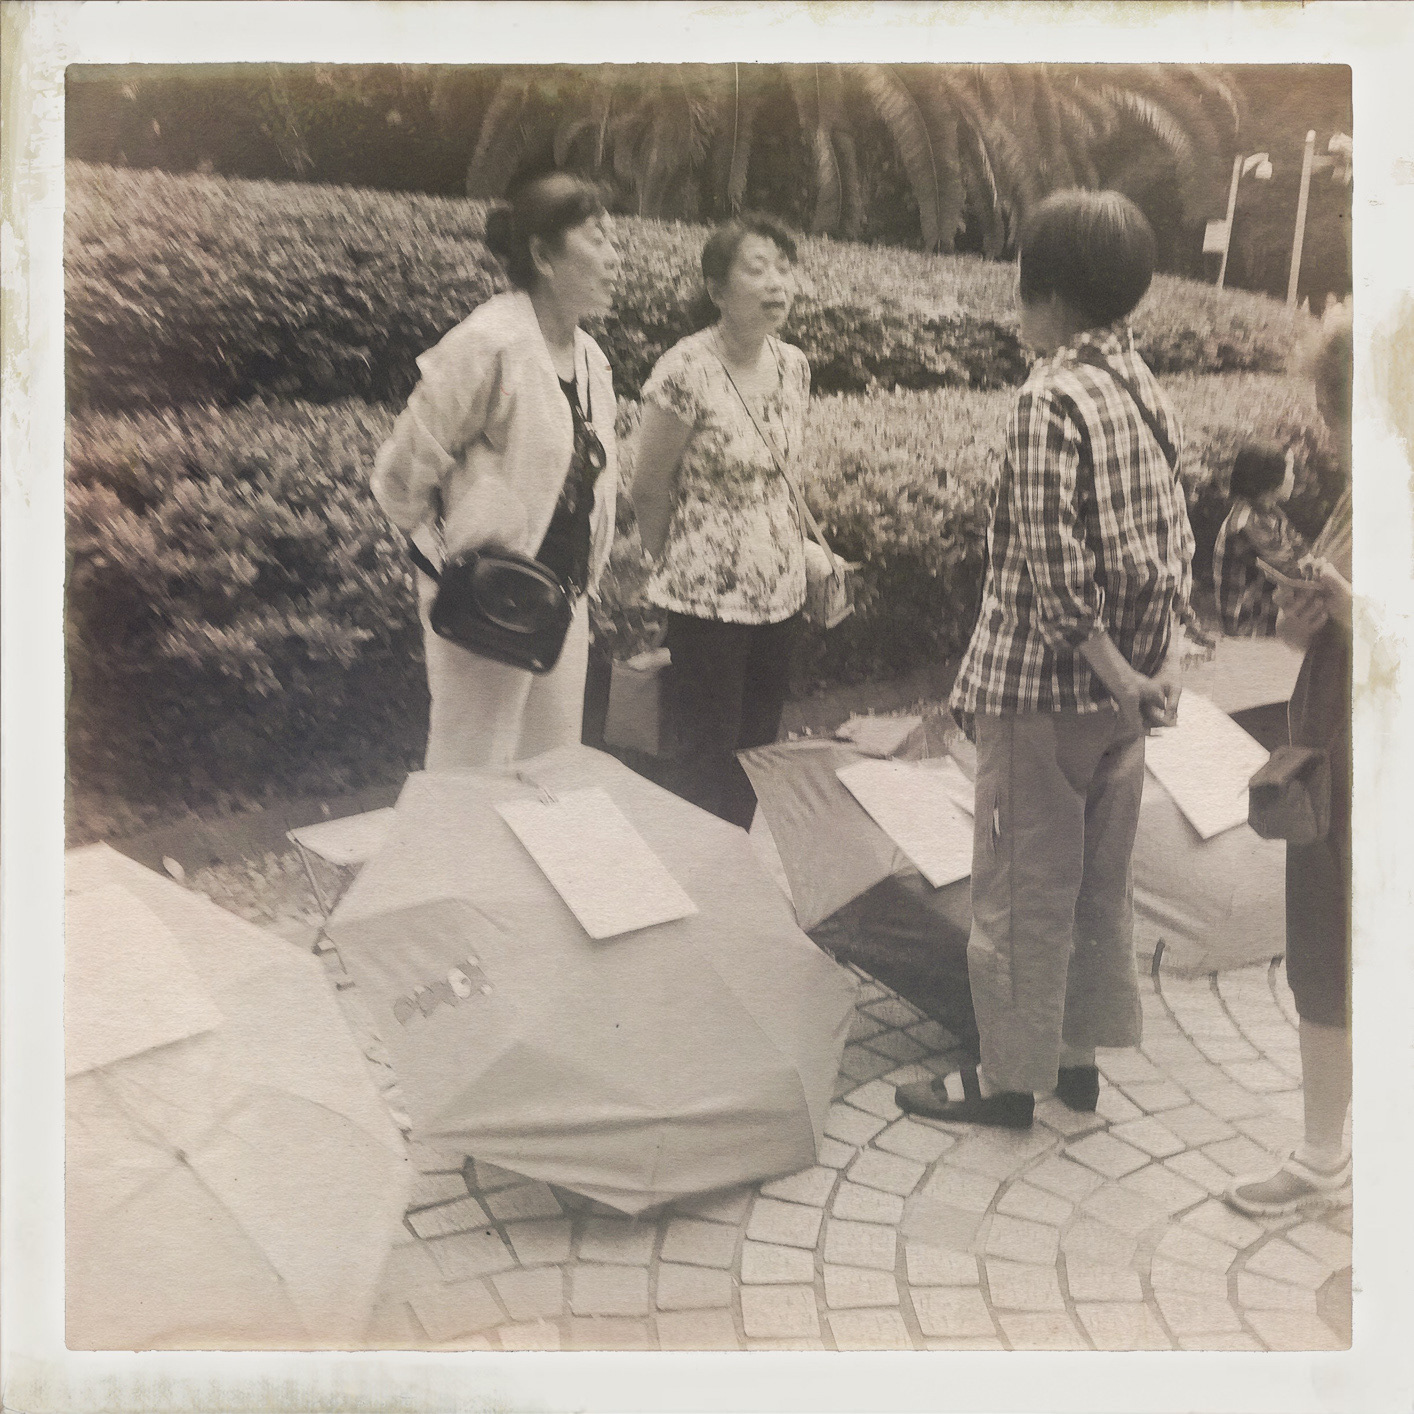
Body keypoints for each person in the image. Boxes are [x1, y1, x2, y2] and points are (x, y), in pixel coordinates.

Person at [896, 190, 1194, 1129]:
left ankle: (1008, 1080)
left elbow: (1054, 577)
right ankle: (1076, 1061)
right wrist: (1157, 672)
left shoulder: (1048, 399)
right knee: (1097, 887)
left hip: (1043, 694)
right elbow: (1175, 542)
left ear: (1052, 294)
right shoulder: (1145, 388)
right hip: (1125, 706)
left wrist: (1119, 674)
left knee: (1023, 890)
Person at [371, 173, 620, 769]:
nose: (615, 256)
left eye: (614, 239)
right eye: (597, 239)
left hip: (560, 599)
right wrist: (455, 556)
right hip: (485, 599)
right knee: (471, 769)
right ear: (543, 256)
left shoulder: (591, 358)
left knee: (551, 769)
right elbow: (401, 473)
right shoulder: (489, 343)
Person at [1226, 303, 1353, 1216]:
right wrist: (1299, 616)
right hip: (1326, 749)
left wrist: (1353, 610)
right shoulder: (1362, 494)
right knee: (1320, 945)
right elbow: (1312, 627)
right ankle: (1320, 1153)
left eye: (1341, 416)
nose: (1334, 440)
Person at [630, 216, 811, 828]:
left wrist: (803, 552)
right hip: (705, 600)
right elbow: (647, 486)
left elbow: (786, 476)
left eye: (784, 268)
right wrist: (673, 562)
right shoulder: (686, 370)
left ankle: (735, 861)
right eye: (757, 269)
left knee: (757, 751)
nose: (776, 283)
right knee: (705, 756)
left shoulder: (794, 366)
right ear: (716, 290)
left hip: (781, 595)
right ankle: (700, 870)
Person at [1212, 441, 1313, 636]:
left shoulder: (1272, 515)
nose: (1293, 477)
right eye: (1289, 471)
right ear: (1271, 479)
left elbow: (1303, 551)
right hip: (1249, 630)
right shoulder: (1246, 524)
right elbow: (1293, 572)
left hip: (1268, 619)